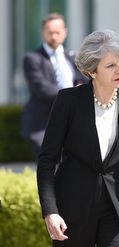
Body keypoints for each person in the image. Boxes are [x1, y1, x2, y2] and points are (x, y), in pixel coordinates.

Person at [37, 30, 119, 247]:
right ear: (92, 71)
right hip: (73, 209)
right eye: (110, 66)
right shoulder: (68, 101)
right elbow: (47, 159)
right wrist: (50, 211)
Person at [20, 13, 87, 160]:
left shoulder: (74, 57)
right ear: (43, 32)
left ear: (65, 32)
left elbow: (85, 80)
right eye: (50, 32)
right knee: (50, 173)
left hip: (72, 124)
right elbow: (41, 87)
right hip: (44, 125)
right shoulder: (33, 59)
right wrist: (72, 94)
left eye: (57, 32)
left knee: (71, 172)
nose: (54, 36)